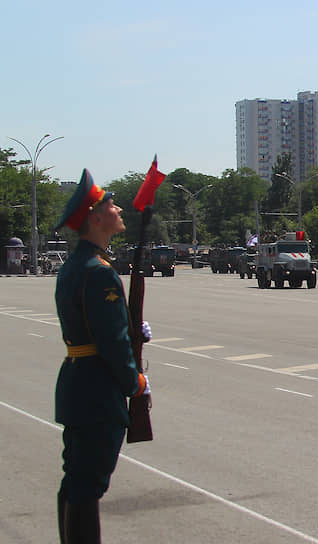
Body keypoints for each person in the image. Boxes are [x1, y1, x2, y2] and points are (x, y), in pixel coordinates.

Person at [53, 170, 149, 543]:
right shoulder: (100, 273)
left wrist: (130, 328)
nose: (119, 208)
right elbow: (110, 342)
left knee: (75, 480)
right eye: (111, 204)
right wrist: (135, 382)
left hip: (77, 384)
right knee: (87, 486)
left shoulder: (75, 266)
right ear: (95, 217)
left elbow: (94, 328)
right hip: (97, 392)